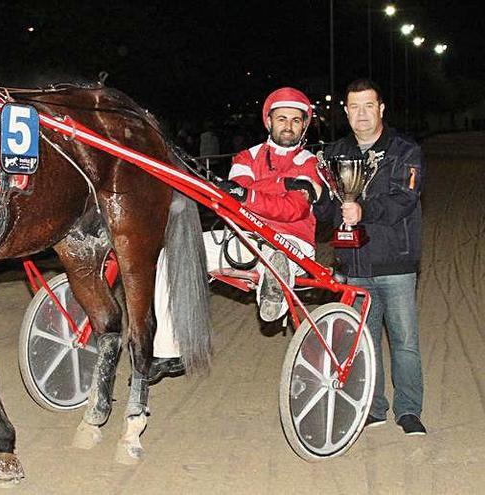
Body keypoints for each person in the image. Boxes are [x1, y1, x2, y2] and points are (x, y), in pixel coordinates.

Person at [150, 87, 322, 383]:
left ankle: (275, 285)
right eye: (282, 119)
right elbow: (233, 205)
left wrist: (250, 196)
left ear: (304, 125)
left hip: (292, 244)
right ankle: (168, 349)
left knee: (278, 253)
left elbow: (293, 210)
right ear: (268, 122)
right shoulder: (246, 156)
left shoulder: (310, 163)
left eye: (296, 120)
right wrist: (263, 196)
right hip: (244, 242)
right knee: (172, 254)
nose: (288, 127)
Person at [314, 78, 426, 436]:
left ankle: (408, 410)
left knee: (404, 341)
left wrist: (362, 210)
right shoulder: (333, 153)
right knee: (363, 341)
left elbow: (404, 199)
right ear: (345, 112)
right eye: (354, 107)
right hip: (354, 264)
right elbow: (327, 209)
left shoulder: (405, 150)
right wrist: (310, 196)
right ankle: (373, 407)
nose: (361, 114)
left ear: (381, 109)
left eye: (368, 106)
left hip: (396, 263)